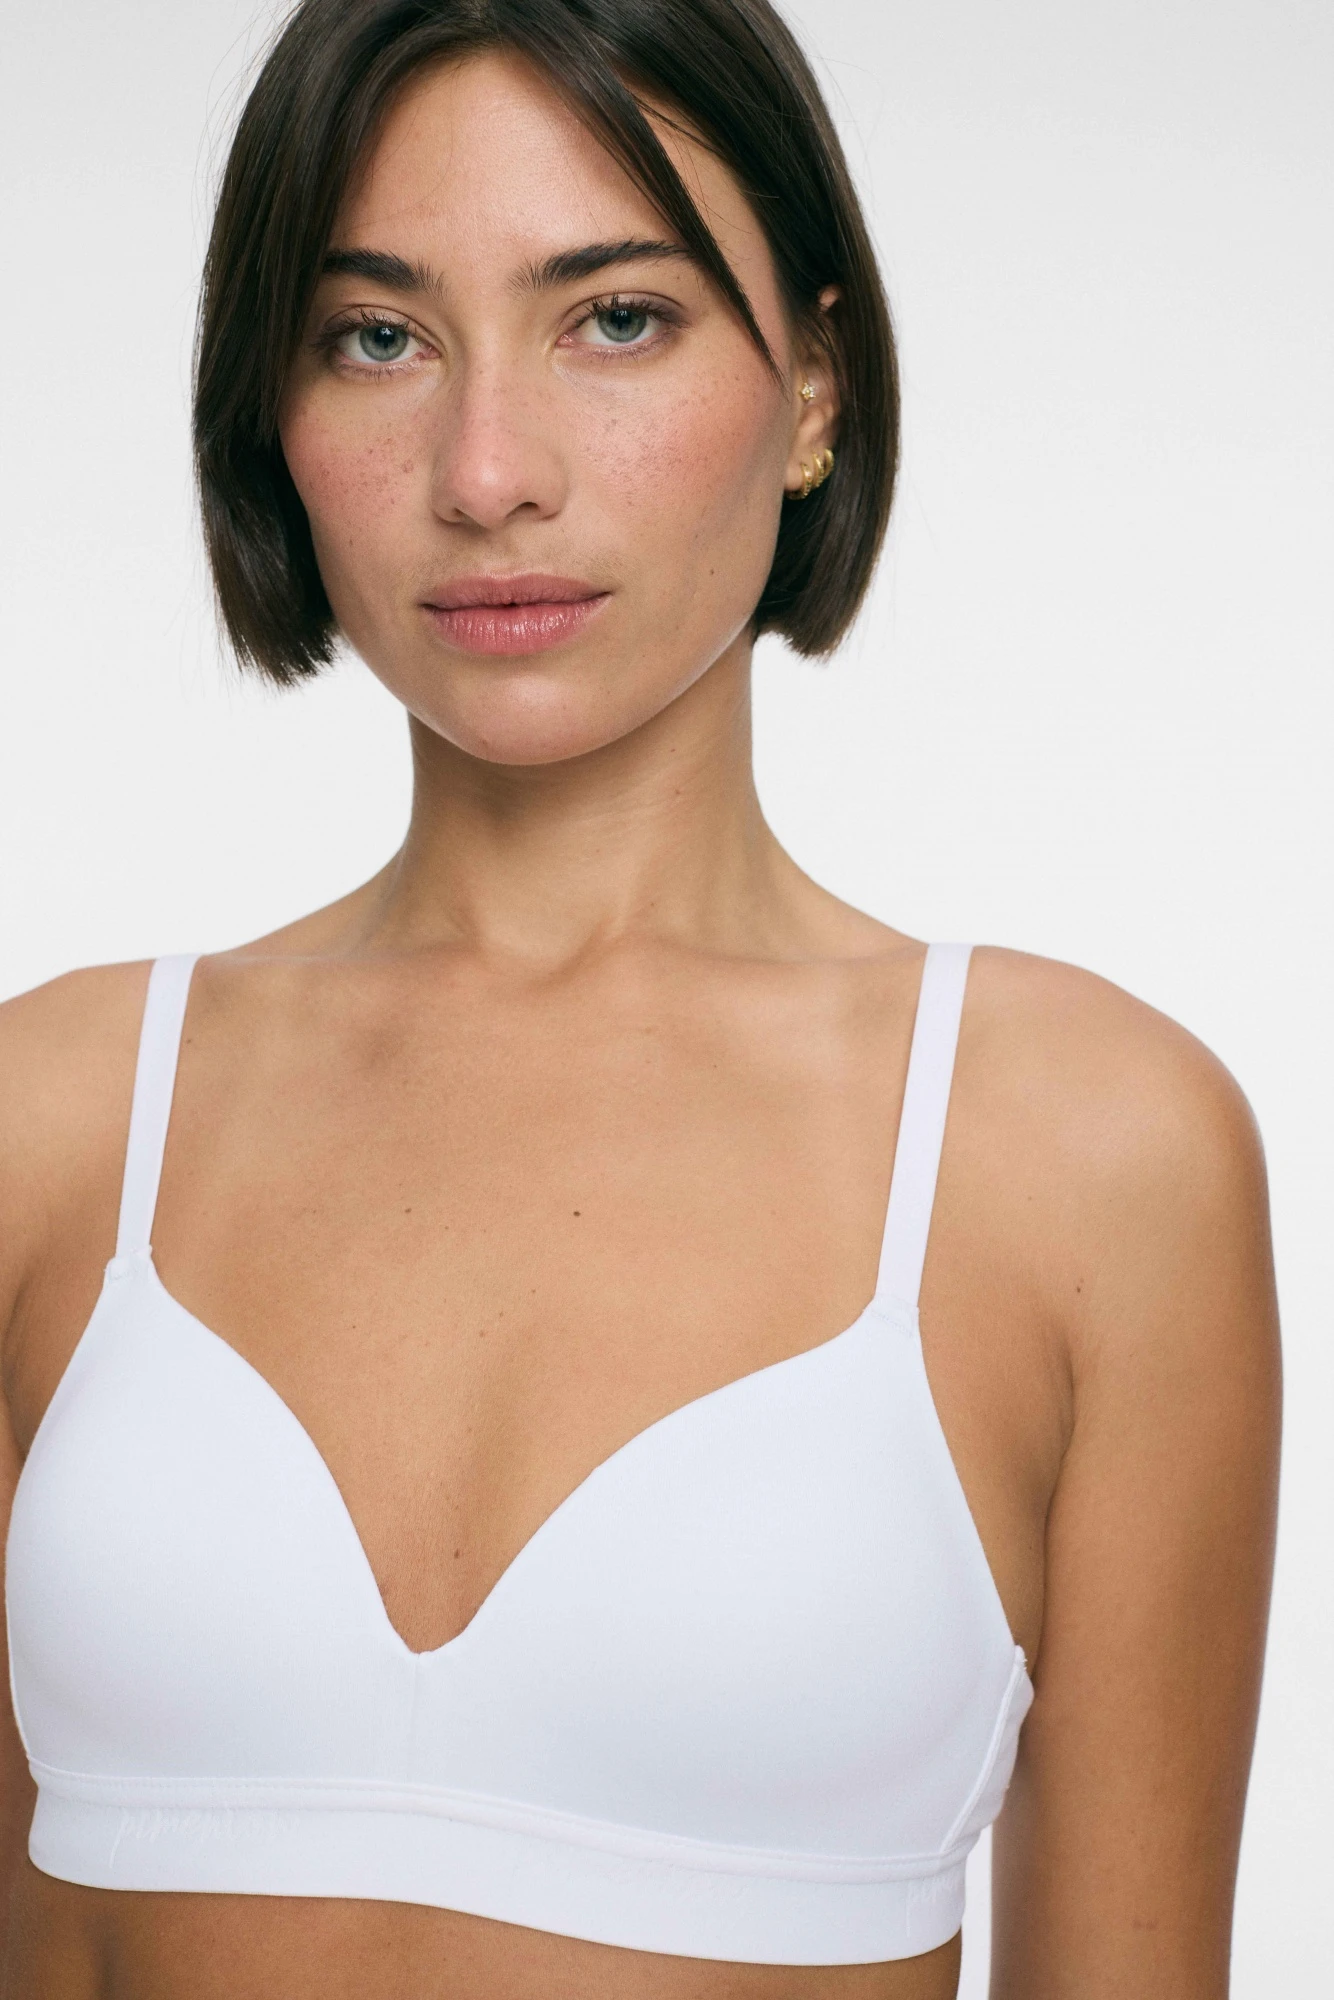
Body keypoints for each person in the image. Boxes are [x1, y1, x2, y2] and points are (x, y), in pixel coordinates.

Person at [0, 2, 1280, 1995]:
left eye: (614, 319)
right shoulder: (57, 1118)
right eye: (377, 336)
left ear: (814, 388)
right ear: (272, 404)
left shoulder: (1081, 1154)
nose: (485, 472)